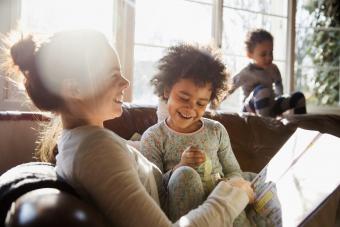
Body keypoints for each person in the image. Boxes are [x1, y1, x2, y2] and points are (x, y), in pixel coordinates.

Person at [5, 29, 255, 227]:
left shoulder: (85, 142)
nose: (125, 82)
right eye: (114, 75)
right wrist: (234, 196)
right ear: (74, 90)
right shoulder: (95, 150)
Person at [140, 43, 254, 226]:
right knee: (186, 174)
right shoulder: (153, 137)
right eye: (184, 98)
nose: (191, 108)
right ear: (167, 90)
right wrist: (180, 166)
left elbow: (233, 170)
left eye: (201, 103)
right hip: (185, 212)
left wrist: (232, 183)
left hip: (221, 208)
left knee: (239, 184)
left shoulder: (216, 130)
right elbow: (154, 191)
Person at [229, 28, 307, 117]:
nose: (269, 57)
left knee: (298, 97)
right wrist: (213, 104)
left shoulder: (273, 68)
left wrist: (279, 99)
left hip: (270, 106)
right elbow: (227, 88)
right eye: (263, 54)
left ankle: (301, 125)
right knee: (262, 91)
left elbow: (279, 87)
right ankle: (266, 126)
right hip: (249, 111)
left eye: (271, 53)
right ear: (249, 54)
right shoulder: (245, 72)